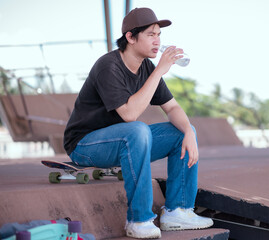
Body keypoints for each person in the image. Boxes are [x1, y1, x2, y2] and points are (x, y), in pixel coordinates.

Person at [63, 7, 213, 239]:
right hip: (85, 145)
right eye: (151, 34)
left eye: (159, 35)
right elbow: (130, 114)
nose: (158, 41)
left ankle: (178, 211)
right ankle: (139, 220)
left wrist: (189, 133)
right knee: (137, 130)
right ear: (131, 38)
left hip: (122, 141)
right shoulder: (108, 66)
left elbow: (172, 107)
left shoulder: (146, 67)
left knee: (182, 131)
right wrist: (161, 71)